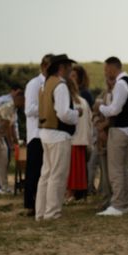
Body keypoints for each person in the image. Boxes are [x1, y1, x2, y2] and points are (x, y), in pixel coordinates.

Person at [35, 54, 81, 221]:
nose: (70, 69)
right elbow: (63, 113)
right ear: (62, 67)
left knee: (46, 175)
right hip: (58, 134)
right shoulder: (60, 86)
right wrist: (77, 113)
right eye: (69, 66)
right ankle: (52, 213)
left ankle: (40, 212)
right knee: (58, 175)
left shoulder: (46, 84)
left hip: (45, 133)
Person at [97, 57, 128, 216]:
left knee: (115, 169)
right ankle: (127, 203)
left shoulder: (121, 84)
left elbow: (114, 110)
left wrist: (101, 107)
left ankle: (118, 205)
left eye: (106, 69)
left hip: (119, 129)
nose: (105, 73)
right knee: (124, 168)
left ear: (112, 68)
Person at [23, 54, 52, 217]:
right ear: (43, 66)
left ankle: (44, 203)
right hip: (36, 134)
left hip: (48, 133)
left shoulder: (53, 84)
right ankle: (31, 204)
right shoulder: (34, 84)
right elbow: (29, 110)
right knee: (34, 171)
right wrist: (48, 108)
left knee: (45, 171)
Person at [66, 72, 93, 202]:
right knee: (80, 169)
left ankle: (70, 194)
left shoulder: (69, 102)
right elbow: (90, 121)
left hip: (71, 139)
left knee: (71, 170)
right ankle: (81, 195)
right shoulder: (83, 101)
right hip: (82, 139)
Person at [92, 76, 114, 209]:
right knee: (104, 170)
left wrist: (105, 125)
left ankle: (116, 199)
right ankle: (106, 198)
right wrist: (99, 127)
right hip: (102, 137)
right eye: (108, 80)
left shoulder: (119, 94)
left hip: (113, 134)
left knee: (114, 170)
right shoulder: (102, 95)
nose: (109, 82)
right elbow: (94, 113)